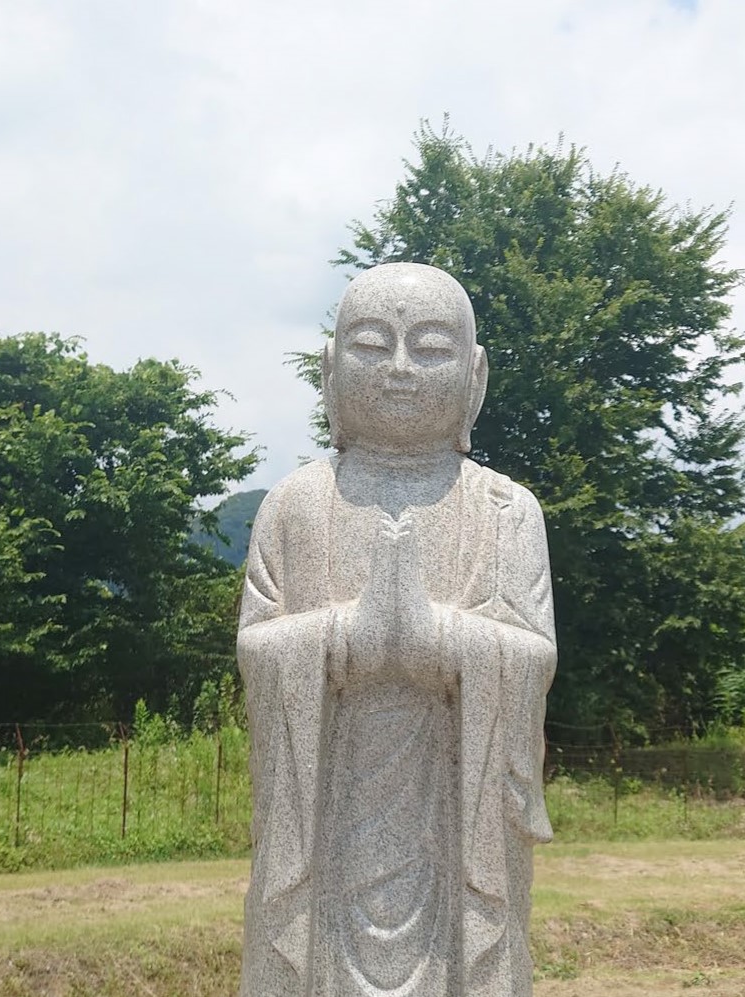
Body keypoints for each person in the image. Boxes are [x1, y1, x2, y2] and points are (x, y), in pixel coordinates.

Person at [237, 262, 556, 996]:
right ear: (330, 371)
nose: (401, 369)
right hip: (326, 808)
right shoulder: (294, 505)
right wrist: (346, 636)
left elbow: (534, 654)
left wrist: (439, 640)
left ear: (473, 378)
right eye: (373, 345)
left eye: (432, 348)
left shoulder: (507, 511)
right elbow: (257, 646)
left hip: (457, 817)